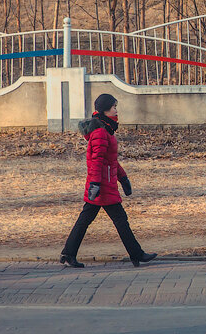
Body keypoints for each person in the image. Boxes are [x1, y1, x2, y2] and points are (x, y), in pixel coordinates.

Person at [59, 93, 157, 268]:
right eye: (113, 107)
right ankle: (137, 254)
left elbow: (110, 160)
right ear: (105, 110)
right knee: (119, 220)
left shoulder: (106, 130)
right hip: (102, 187)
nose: (116, 110)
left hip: (105, 184)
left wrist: (123, 177)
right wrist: (95, 184)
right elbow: (96, 161)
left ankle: (68, 254)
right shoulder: (100, 133)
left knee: (88, 220)